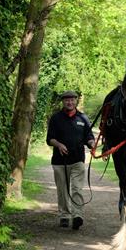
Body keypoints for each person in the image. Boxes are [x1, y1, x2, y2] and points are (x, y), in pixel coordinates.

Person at [46, 90, 95, 230]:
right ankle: (64, 216)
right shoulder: (56, 118)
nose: (70, 102)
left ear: (76, 101)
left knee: (76, 188)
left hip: (78, 159)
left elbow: (89, 137)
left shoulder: (83, 118)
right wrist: (59, 145)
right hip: (59, 161)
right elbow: (50, 139)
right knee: (62, 190)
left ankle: (77, 215)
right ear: (63, 102)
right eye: (67, 100)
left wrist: (92, 144)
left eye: (72, 100)